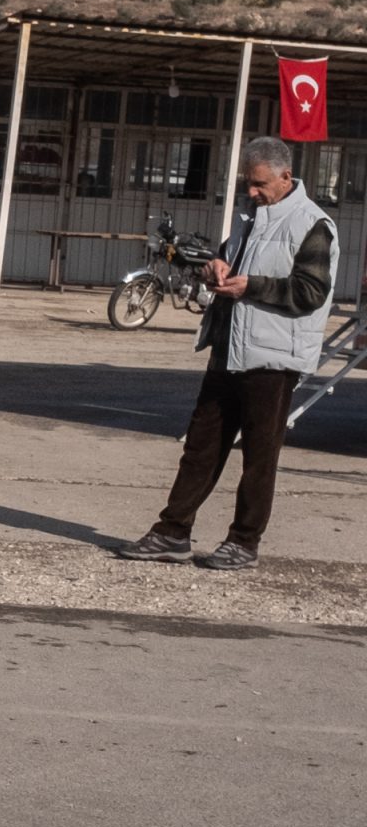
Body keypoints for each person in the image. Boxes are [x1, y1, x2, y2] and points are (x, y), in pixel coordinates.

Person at [115, 136, 337, 572]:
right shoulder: (248, 217)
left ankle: (244, 542)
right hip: (228, 347)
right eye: (246, 183)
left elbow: (311, 292)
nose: (251, 192)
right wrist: (215, 265)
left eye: (258, 184)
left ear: (285, 176)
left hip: (273, 359)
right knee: (200, 446)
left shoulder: (313, 224)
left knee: (259, 455)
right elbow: (230, 261)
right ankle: (171, 533)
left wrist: (250, 285)